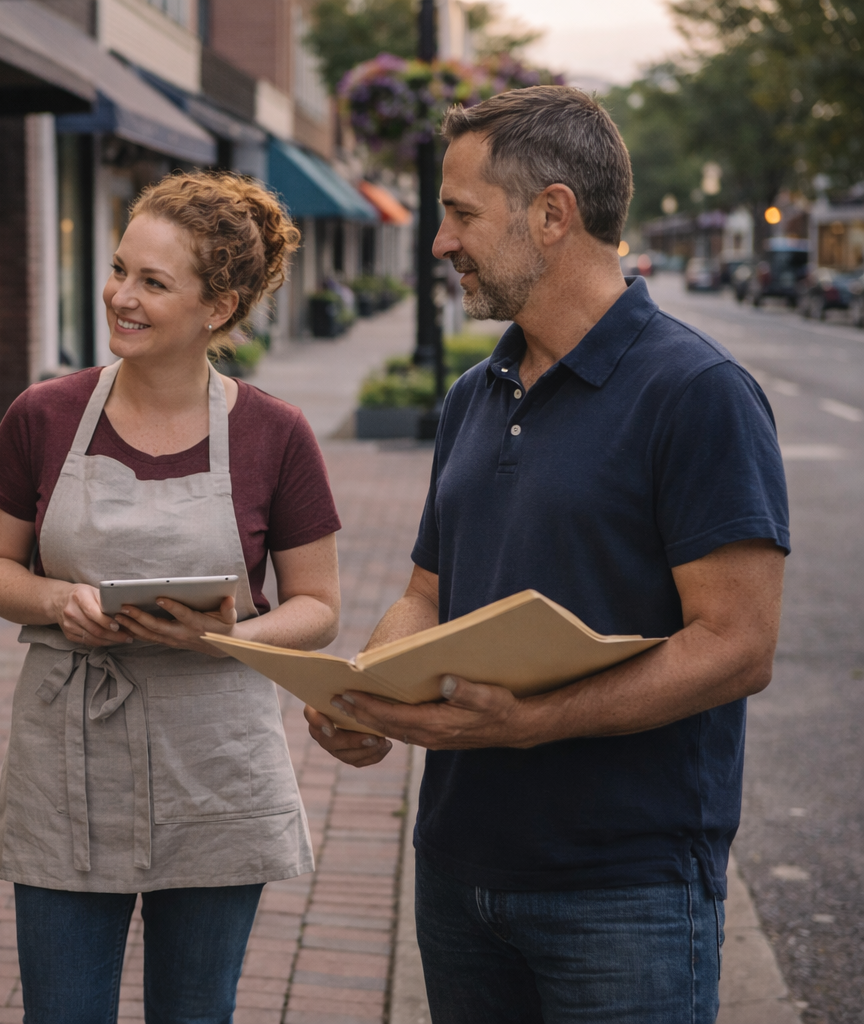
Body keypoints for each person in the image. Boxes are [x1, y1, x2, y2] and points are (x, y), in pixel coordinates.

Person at [306, 87, 788, 1023]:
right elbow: (426, 591)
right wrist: (370, 687)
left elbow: (738, 644)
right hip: (455, 869)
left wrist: (538, 720)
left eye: (460, 214)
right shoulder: (471, 395)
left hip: (626, 893)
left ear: (553, 214)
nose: (440, 242)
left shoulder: (699, 394)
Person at [0, 171, 343, 1022]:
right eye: (119, 269)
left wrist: (226, 638)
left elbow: (317, 606)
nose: (119, 297)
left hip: (217, 764)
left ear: (220, 306)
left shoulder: (275, 434)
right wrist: (57, 601)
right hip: (66, 759)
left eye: (152, 282)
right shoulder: (45, 415)